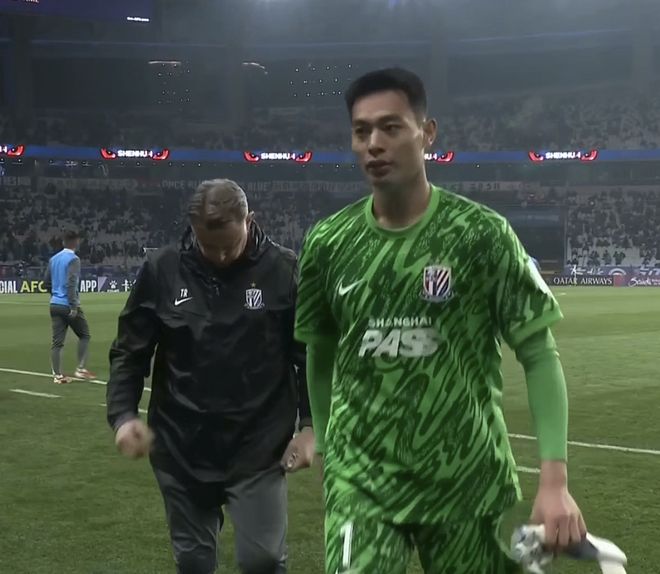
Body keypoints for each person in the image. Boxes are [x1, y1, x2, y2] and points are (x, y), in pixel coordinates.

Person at [294, 68, 587, 574]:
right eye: (362, 131)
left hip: (466, 481)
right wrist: (326, 448)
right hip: (362, 483)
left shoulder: (482, 235)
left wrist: (555, 482)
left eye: (391, 127)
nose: (374, 144)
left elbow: (539, 355)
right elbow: (318, 355)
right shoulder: (328, 243)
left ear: (427, 133)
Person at [107, 179, 314, 574]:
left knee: (263, 560)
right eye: (208, 247)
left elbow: (307, 355)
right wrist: (123, 416)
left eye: (229, 247)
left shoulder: (283, 270)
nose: (219, 256)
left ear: (249, 221)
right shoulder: (162, 270)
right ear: (192, 230)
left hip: (258, 444)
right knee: (194, 561)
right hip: (181, 444)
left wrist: (309, 426)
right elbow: (130, 351)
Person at [45, 229, 95, 384]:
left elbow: (46, 282)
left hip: (55, 304)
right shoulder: (74, 259)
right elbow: (71, 282)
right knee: (84, 335)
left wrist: (55, 295)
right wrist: (73, 305)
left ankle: (57, 376)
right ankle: (80, 369)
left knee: (57, 342)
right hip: (68, 304)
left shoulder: (53, 259)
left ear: (63, 242)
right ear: (76, 242)